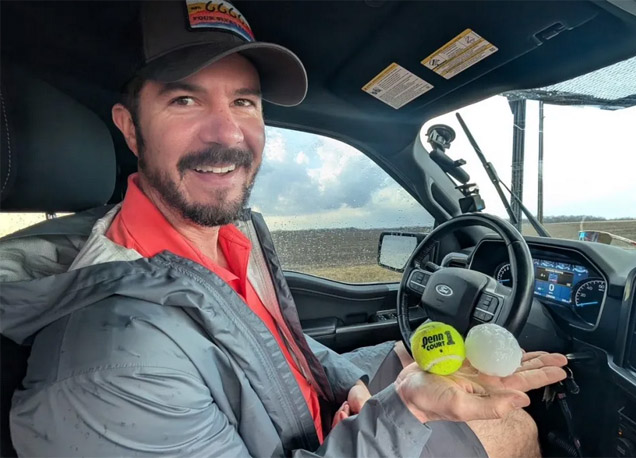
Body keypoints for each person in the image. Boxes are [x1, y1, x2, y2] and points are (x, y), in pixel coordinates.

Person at [0, 2, 567, 456]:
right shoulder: (110, 368)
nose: (227, 133)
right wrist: (407, 410)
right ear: (130, 128)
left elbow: (277, 348)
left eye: (244, 101)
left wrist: (353, 387)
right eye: (185, 100)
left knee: (412, 354)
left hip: (304, 419)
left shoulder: (227, 239)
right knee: (508, 428)